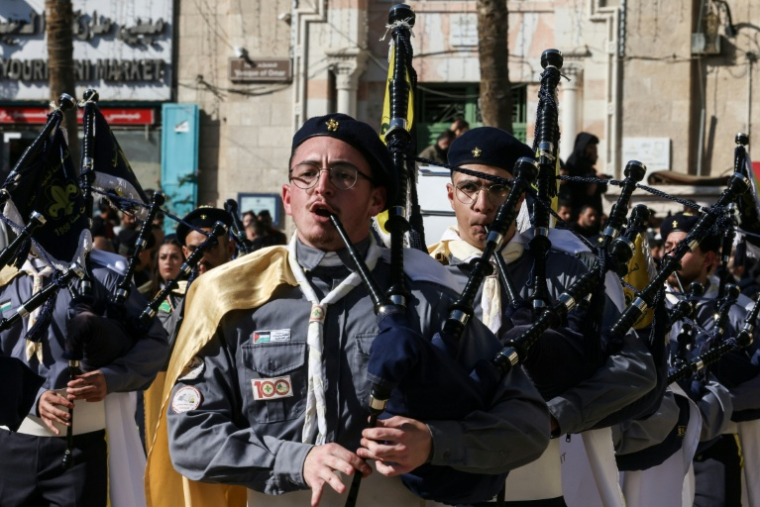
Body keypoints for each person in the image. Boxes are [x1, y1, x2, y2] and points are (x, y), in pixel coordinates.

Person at [150, 114, 550, 507]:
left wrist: (434, 442)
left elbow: (527, 423)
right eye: (307, 174)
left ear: (376, 200)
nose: (322, 188)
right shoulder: (234, 300)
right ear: (289, 197)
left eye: (344, 175)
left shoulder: (427, 296)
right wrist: (296, 460)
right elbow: (190, 436)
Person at [428, 127, 657, 506]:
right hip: (446, 483)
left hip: (538, 484)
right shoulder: (424, 273)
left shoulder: (564, 272)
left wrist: (552, 416)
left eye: (499, 188)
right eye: (469, 187)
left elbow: (636, 368)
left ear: (519, 196)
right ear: (450, 194)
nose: (483, 204)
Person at [0, 248, 169, 506]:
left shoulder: (102, 278)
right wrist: (30, 397)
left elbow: (154, 340)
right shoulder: (4, 279)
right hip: (10, 445)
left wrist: (112, 377)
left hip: (79, 450)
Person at [660, 213, 760, 507]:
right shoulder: (646, 308)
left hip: (717, 442)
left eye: (683, 247)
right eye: (667, 244)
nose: (671, 252)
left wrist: (719, 404)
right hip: (656, 442)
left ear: (710, 259)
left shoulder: (743, 311)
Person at [565, 132, 607, 215]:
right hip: (579, 214)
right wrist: (596, 179)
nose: (594, 150)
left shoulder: (588, 166)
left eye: (594, 147)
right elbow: (586, 191)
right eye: (591, 147)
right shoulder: (574, 163)